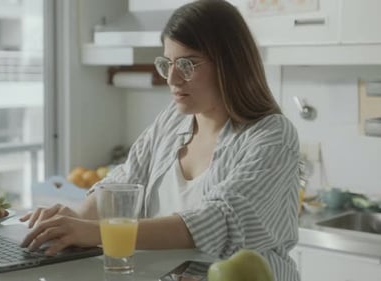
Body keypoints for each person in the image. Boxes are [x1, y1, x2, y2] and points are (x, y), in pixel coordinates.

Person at [20, 1, 300, 280]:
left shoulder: (272, 136)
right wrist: (76, 218)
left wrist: (95, 231)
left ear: (229, 64)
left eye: (188, 64)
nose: (172, 78)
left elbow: (217, 221)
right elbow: (125, 181)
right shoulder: (173, 120)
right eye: (168, 64)